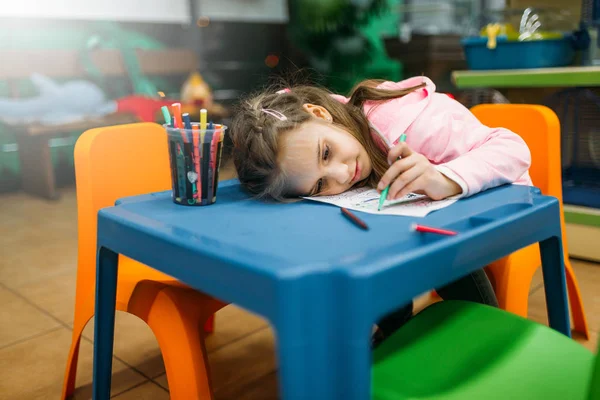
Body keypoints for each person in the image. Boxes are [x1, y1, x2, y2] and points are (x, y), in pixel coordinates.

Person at [231, 76, 532, 345]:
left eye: (327, 152)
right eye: (319, 185)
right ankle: (395, 334)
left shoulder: (412, 125)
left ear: (320, 114)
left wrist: (445, 178)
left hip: (500, 208)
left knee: (437, 247)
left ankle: (492, 344)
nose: (342, 173)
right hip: (428, 225)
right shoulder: (323, 137)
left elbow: (514, 148)